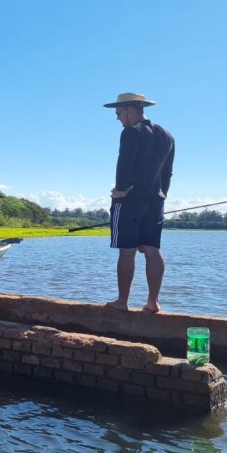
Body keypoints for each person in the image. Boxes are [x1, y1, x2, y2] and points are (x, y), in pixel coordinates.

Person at [103, 93, 175, 314]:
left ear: (129, 109)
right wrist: (162, 194)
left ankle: (122, 302)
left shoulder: (130, 132)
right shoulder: (167, 136)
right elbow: (167, 173)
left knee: (127, 251)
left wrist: (120, 192)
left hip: (130, 201)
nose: (117, 119)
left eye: (118, 113)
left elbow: (124, 163)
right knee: (153, 250)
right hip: (155, 201)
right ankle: (153, 303)